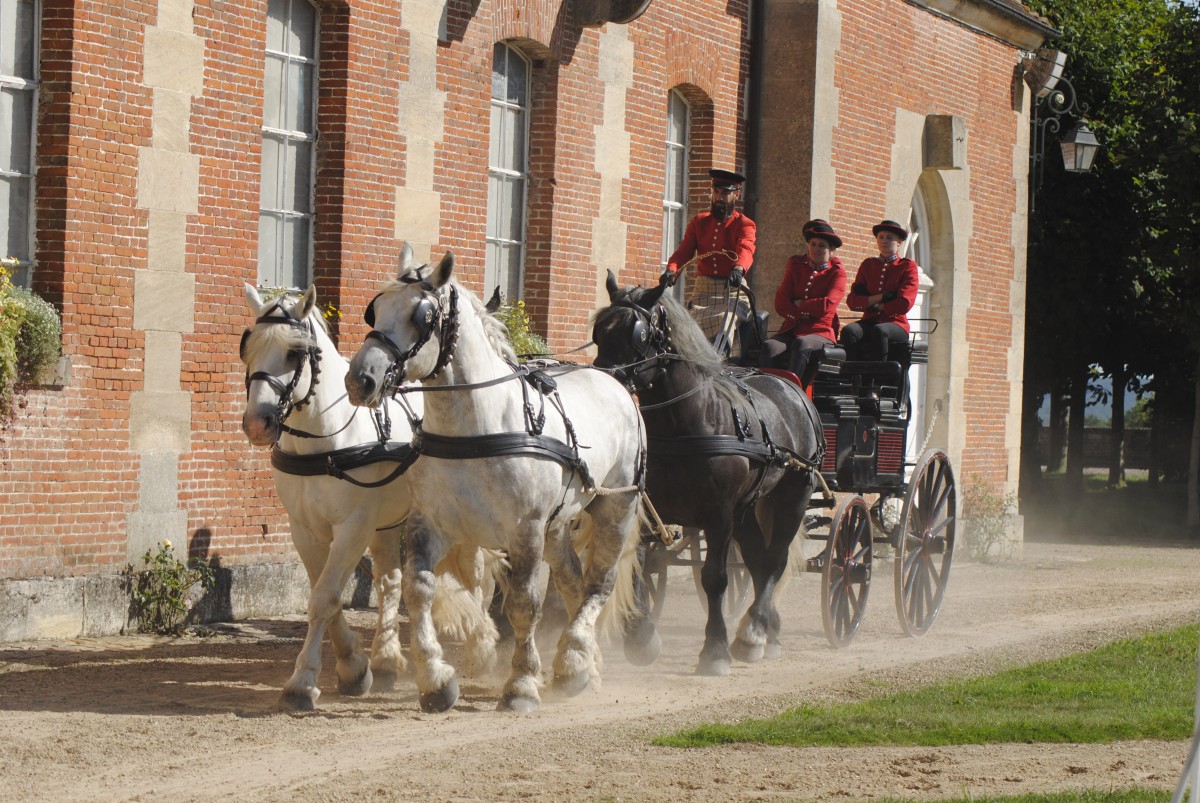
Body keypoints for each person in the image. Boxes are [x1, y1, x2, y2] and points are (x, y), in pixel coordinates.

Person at [660, 168, 757, 352]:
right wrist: (671, 271)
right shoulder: (699, 222)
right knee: (683, 328)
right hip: (702, 292)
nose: (719, 198)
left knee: (725, 321)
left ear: (737, 194)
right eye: (716, 192)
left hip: (732, 292)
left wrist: (738, 268)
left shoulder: (744, 224)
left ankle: (719, 366)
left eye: (725, 193)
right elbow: (683, 253)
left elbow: (746, 247)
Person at [759, 219, 846, 387]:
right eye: (813, 244)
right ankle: (765, 391)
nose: (816, 249)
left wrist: (799, 304)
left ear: (831, 250)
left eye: (822, 245)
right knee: (769, 346)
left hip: (820, 332)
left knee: (802, 343)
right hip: (792, 327)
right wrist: (801, 314)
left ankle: (794, 392)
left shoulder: (837, 273)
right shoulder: (796, 265)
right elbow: (781, 302)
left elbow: (827, 305)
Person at [841, 219, 920, 361]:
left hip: (896, 323)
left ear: (899, 242)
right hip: (870, 320)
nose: (884, 241)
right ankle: (853, 373)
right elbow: (853, 301)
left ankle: (880, 373)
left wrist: (874, 304)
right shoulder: (868, 265)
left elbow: (904, 303)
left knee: (880, 330)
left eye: (889, 238)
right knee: (849, 331)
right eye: (881, 237)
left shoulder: (906, 266)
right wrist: (880, 298)